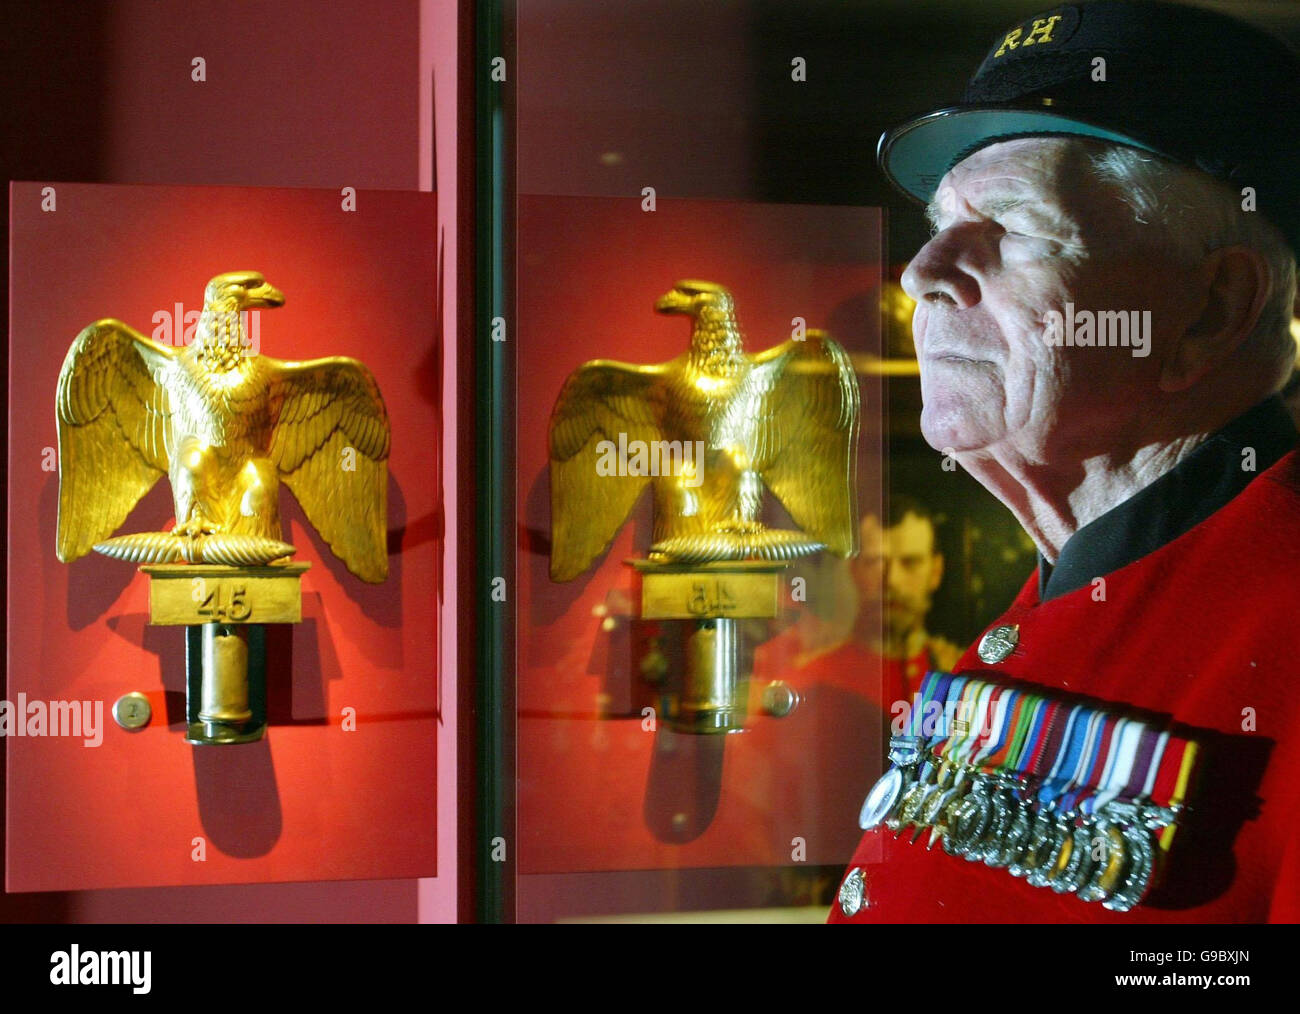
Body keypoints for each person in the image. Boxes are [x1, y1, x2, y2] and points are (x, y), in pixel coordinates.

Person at [831, 0, 1300, 923]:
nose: (922, 270)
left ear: (1210, 310)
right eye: (939, 223)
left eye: (1012, 224)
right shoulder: (1053, 596)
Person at [850, 496, 962, 707]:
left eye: (910, 562)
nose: (892, 580)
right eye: (875, 562)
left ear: (936, 571)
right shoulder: (817, 676)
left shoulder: (964, 675)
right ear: (853, 570)